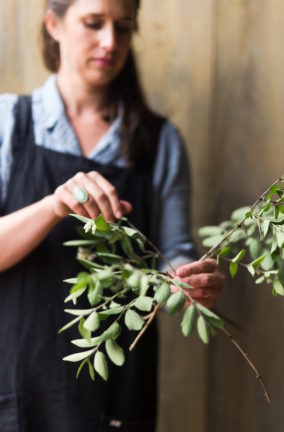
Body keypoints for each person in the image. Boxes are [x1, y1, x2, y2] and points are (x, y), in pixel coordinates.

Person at [0, 0, 225, 430]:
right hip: (17, 385)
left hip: (117, 394)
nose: (110, 42)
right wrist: (54, 206)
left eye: (123, 28)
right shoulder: (10, 123)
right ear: (54, 24)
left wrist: (190, 280)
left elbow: (173, 253)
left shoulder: (160, 142)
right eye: (93, 23)